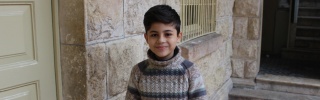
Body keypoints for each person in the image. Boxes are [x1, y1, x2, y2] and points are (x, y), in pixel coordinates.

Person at [125, 5, 207, 100]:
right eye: (154, 35)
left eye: (168, 34)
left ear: (178, 36)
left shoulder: (190, 71)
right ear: (147, 38)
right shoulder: (138, 71)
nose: (161, 40)